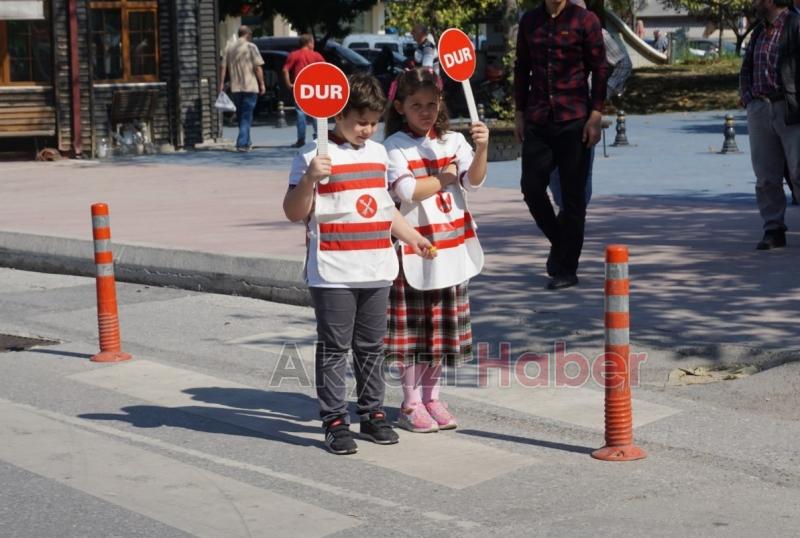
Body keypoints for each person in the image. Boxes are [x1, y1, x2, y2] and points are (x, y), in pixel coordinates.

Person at [283, 74, 434, 455]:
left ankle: (372, 414)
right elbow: (294, 212)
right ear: (338, 115)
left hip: (377, 267)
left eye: (373, 122)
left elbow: (384, 209)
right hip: (333, 270)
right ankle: (335, 420)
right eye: (359, 121)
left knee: (371, 347)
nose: (367, 130)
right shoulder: (311, 156)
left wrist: (412, 237)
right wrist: (310, 180)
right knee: (335, 348)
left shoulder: (379, 154)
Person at [383, 68, 489, 433]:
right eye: (416, 105)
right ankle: (410, 403)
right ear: (400, 107)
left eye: (432, 103)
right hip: (414, 247)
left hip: (452, 246)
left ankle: (433, 397)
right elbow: (408, 191)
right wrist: (446, 176)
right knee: (414, 331)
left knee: (440, 330)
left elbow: (473, 181)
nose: (426, 111)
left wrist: (482, 148)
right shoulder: (394, 146)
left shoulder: (454, 140)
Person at [514, 0, 608, 290]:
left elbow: (600, 69)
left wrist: (596, 115)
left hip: (574, 119)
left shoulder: (585, 20)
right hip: (538, 118)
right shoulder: (529, 21)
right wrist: (519, 112)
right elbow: (522, 68)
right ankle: (561, 243)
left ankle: (568, 269)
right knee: (531, 188)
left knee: (573, 198)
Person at [550, 0, 632, 211]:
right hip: (551, 112)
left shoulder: (595, 32)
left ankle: (573, 215)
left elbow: (623, 63)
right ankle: (568, 212)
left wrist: (601, 94)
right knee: (552, 171)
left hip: (581, 112)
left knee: (580, 171)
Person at [739, 0, 800, 250]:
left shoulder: (795, 25)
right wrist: (748, 98)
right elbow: (747, 67)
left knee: (798, 172)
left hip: (790, 109)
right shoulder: (758, 31)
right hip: (760, 108)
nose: (753, 2)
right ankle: (773, 229)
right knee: (765, 176)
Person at [219, 26, 265, 152]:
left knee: (241, 116)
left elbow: (223, 67)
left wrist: (221, 83)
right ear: (248, 34)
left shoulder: (229, 47)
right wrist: (262, 83)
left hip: (235, 87)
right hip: (250, 86)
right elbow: (258, 67)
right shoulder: (251, 47)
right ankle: (242, 143)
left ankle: (247, 141)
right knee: (246, 116)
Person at [282, 34, 325, 148]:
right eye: (313, 42)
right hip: (314, 87)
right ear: (309, 43)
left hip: (300, 86)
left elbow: (285, 70)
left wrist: (288, 84)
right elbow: (325, 69)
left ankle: (301, 140)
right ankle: (318, 137)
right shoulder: (316, 55)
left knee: (301, 113)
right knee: (316, 113)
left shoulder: (294, 55)